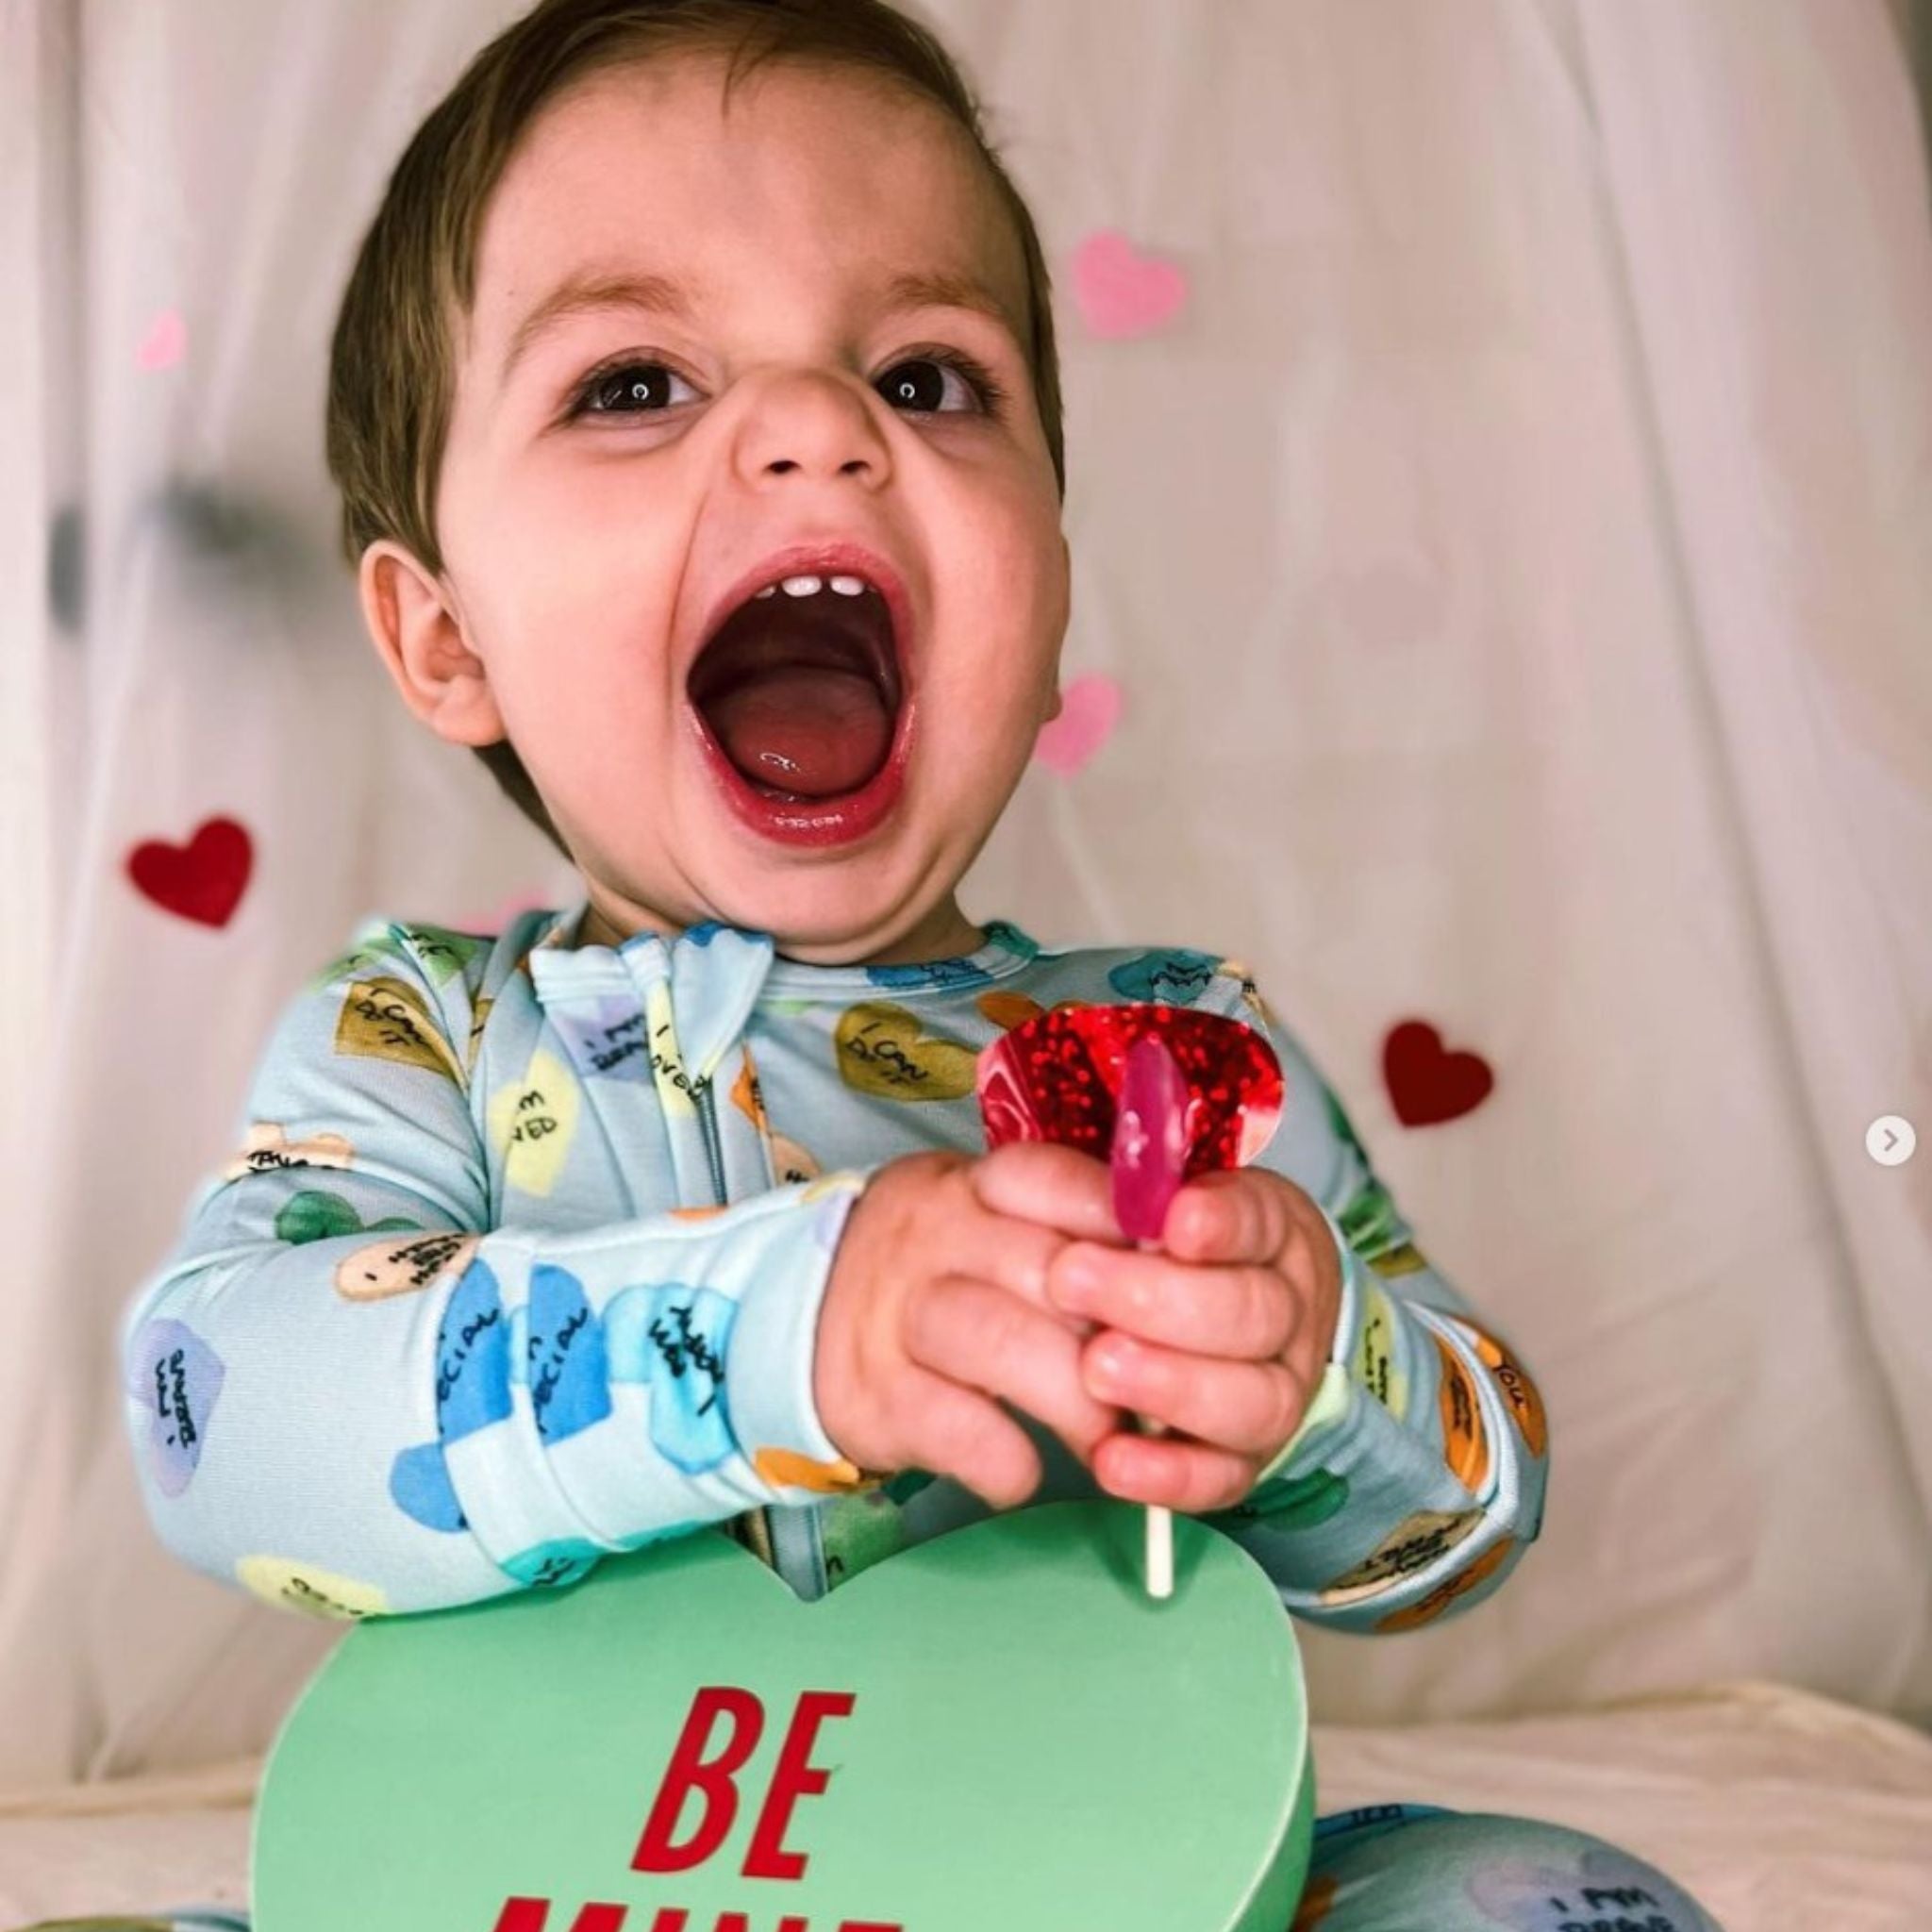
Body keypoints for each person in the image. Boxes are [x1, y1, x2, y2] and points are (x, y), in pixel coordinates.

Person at [109, 3, 1724, 1927]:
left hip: (1075, 1873)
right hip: (528, 1880)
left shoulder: (1166, 1059)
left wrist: (1304, 1380)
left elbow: (1463, 1512)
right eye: (633, 381)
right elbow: (222, 1413)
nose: (820, 428)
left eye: (931, 377)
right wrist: (789, 1324)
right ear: (443, 635)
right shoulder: (428, 1040)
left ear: (1044, 601)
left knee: (1550, 1900)